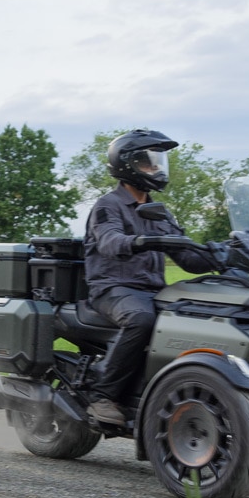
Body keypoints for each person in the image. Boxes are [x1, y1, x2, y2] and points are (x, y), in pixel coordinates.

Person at [82, 130, 223, 426]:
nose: (156, 168)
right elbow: (109, 242)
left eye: (158, 162)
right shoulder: (108, 206)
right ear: (126, 165)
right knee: (141, 320)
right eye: (148, 162)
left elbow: (188, 259)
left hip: (153, 290)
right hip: (113, 289)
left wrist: (222, 255)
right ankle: (102, 396)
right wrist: (140, 240)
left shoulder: (160, 211)